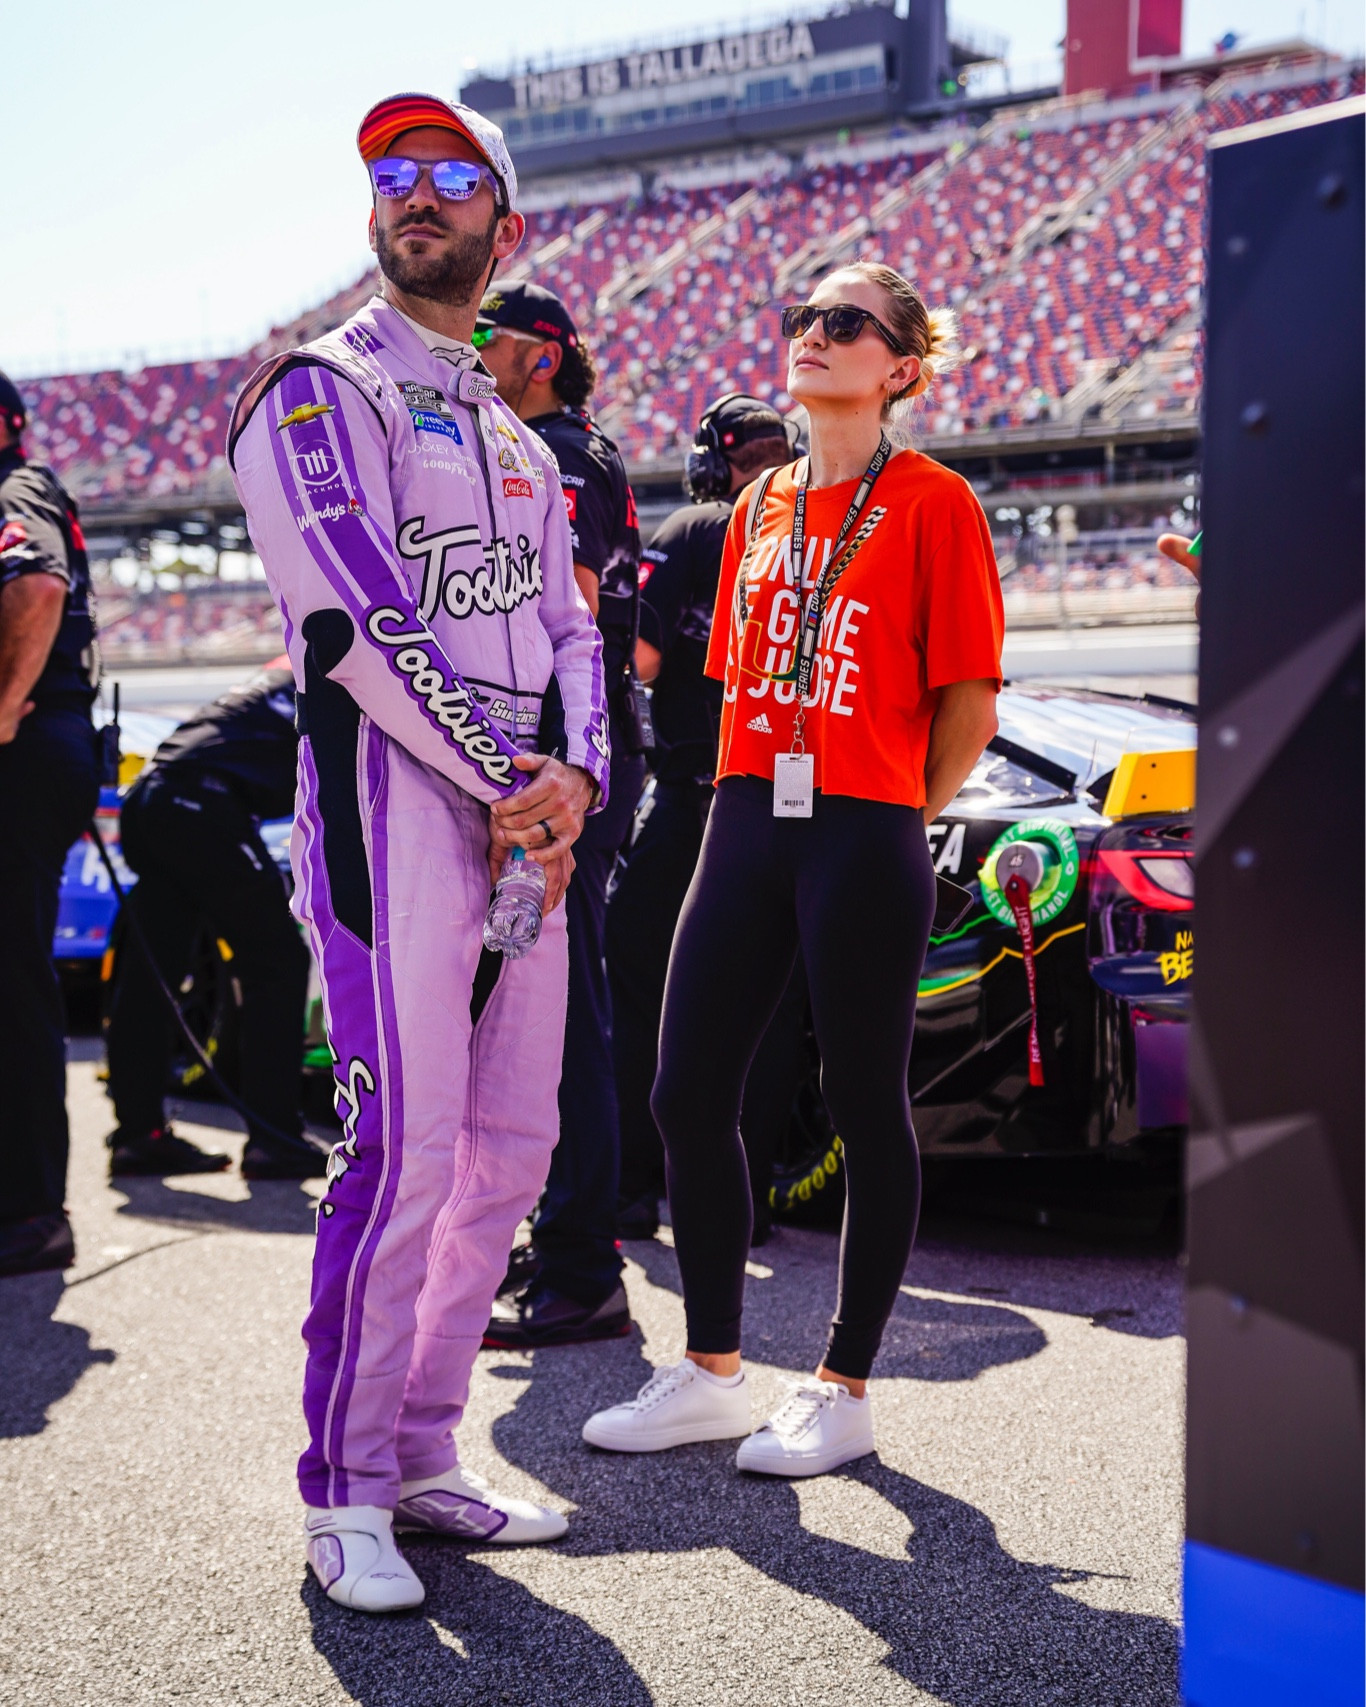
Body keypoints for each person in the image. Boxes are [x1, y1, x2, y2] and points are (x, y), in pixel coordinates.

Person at [228, 92, 608, 1613]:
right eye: (394, 177)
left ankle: (426, 1446)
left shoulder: (515, 431)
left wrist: (572, 768)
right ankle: (344, 1484)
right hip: (394, 800)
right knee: (403, 1152)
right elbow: (353, 618)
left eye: (452, 177)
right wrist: (507, 778)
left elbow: (575, 623)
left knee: (511, 1151)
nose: (417, 196)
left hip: (526, 814)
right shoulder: (317, 385)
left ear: (502, 225)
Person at [583, 262, 1003, 1477]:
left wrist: (882, 819)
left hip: (864, 821)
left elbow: (966, 707)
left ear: (901, 367)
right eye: (800, 319)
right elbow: (733, 676)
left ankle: (844, 1386)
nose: (811, 336)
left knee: (868, 1105)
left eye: (844, 324)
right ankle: (713, 1372)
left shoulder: (933, 501)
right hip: (744, 809)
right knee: (682, 1092)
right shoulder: (760, 502)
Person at [474, 281, 645, 1348]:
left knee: (561, 1011)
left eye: (488, 336)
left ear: (540, 355)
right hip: (542, 761)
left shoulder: (565, 452)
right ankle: (564, 1234)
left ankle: (583, 1262)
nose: (471, 349)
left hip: (563, 768)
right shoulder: (536, 447)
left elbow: (562, 610)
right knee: (526, 997)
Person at [607, 393, 801, 1243]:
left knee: (640, 983)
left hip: (699, 798)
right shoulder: (822, 538)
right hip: (798, 801)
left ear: (709, 462)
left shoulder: (691, 530)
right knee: (772, 1005)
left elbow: (640, 660)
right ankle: (748, 1198)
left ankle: (632, 1190)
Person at [103, 665, 322, 1181]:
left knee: (153, 973)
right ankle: (275, 1139)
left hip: (151, 798)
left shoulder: (290, 667)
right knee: (278, 962)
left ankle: (139, 1135)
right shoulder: (344, 669)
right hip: (200, 804)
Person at [0, 370, 103, 1278]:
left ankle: (31, 1210)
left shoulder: (13, 485)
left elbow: (33, 586)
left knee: (13, 982)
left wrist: (1, 704)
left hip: (27, 751)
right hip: (47, 748)